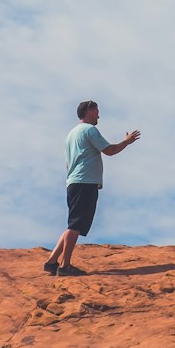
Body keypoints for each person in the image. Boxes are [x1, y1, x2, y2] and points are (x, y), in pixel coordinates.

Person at [44, 100, 141, 277]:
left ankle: (51, 262)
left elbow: (68, 163)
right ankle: (65, 266)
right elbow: (110, 151)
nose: (98, 115)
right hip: (84, 183)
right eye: (96, 111)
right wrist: (126, 142)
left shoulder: (71, 134)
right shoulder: (89, 130)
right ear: (88, 111)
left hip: (73, 182)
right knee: (75, 226)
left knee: (73, 224)